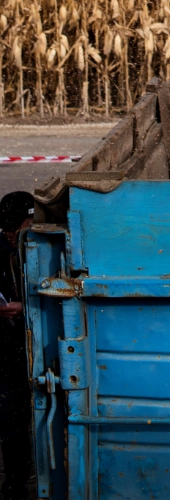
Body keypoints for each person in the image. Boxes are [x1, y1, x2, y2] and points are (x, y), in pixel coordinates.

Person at [0, 192, 34, 500]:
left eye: (17, 226)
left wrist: (25, 307)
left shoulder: (38, 246)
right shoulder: (3, 249)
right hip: (7, 350)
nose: (12, 234)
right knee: (11, 418)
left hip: (30, 347)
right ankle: (15, 482)